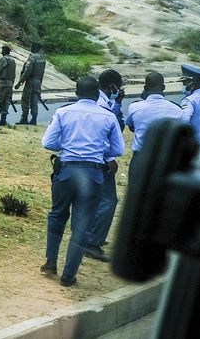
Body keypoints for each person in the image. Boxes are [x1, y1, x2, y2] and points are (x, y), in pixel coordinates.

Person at [41, 77, 125, 287]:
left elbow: (48, 142)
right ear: (97, 94)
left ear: (76, 93)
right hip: (93, 174)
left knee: (57, 214)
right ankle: (69, 275)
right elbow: (118, 150)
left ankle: (51, 261)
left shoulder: (63, 112)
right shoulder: (107, 116)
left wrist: (68, 144)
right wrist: (98, 148)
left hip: (67, 171)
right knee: (82, 225)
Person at [85, 69, 124, 262]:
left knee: (94, 200)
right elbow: (104, 137)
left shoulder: (102, 101)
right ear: (112, 86)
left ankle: (91, 235)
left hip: (84, 159)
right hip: (99, 160)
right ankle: (92, 242)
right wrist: (110, 158)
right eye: (119, 87)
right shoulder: (102, 105)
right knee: (108, 200)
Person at [125, 71, 183, 165]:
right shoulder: (177, 110)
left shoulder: (134, 107)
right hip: (166, 160)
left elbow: (132, 127)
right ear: (163, 87)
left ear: (145, 88)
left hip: (141, 159)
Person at [15, 43, 46, 125]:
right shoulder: (43, 59)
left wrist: (20, 82)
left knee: (25, 100)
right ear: (39, 49)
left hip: (30, 81)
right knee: (34, 101)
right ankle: (34, 119)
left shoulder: (32, 58)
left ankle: (24, 118)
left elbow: (27, 72)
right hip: (38, 81)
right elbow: (42, 72)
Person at [0, 45, 16, 126]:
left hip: (3, 83)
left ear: (5, 51)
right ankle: (3, 120)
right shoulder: (13, 60)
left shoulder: (3, 59)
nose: (1, 52)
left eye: (2, 50)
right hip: (10, 84)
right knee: (6, 102)